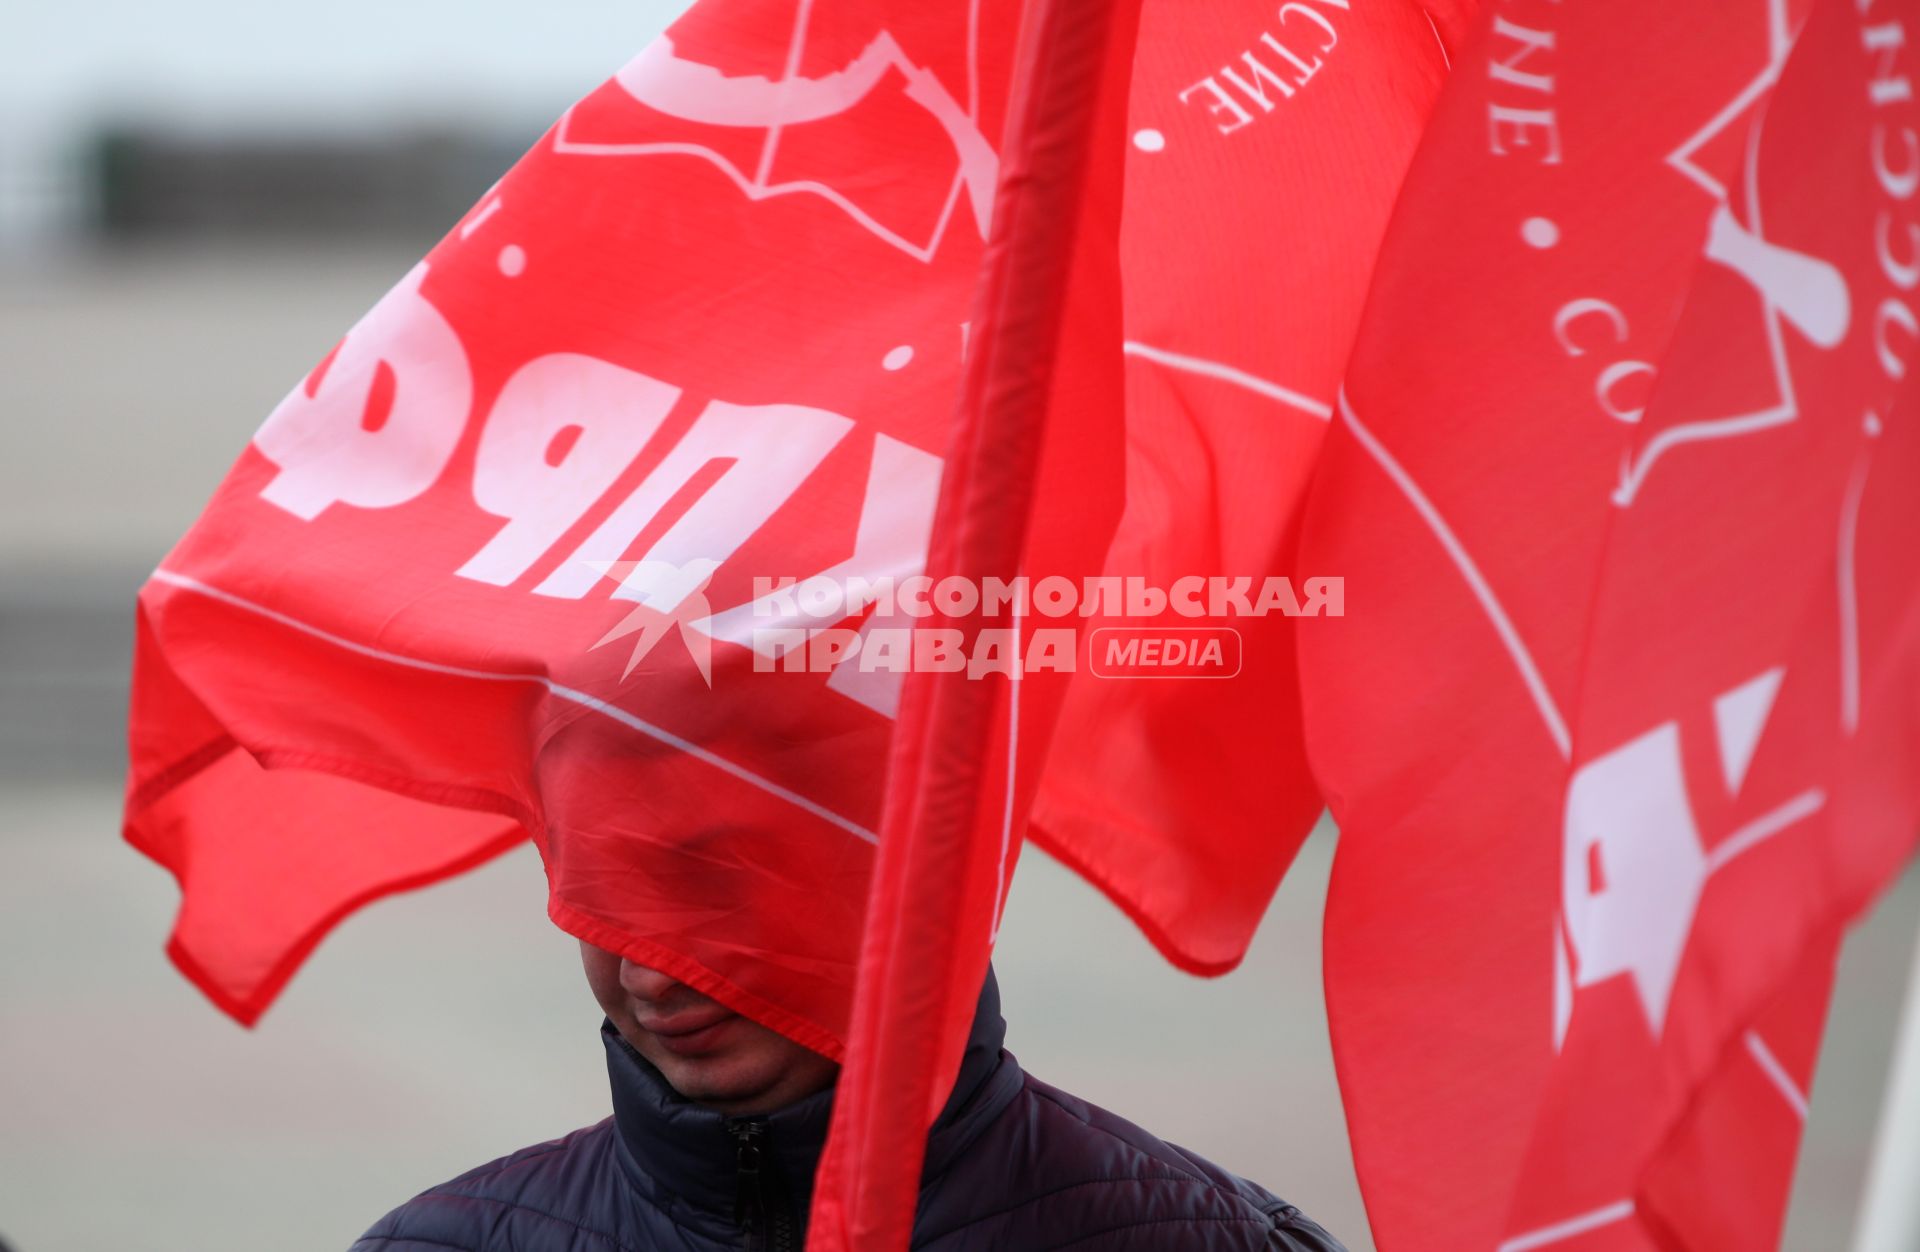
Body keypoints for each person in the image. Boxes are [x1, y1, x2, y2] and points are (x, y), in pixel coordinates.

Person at [351, 944, 1347, 1251]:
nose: (650, 981)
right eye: (601, 906)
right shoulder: (445, 1245)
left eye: (705, 891)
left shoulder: (1197, 1240)